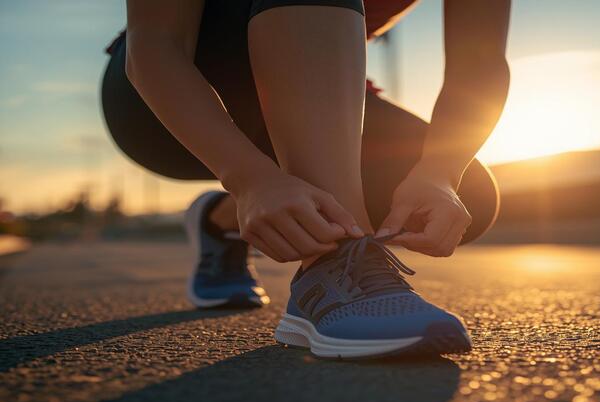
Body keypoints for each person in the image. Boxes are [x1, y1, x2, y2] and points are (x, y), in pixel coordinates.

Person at [102, 0, 510, 359]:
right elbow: (154, 45)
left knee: (469, 193)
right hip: (169, 93)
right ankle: (332, 263)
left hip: (317, 87)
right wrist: (248, 178)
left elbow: (480, 61)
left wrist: (439, 173)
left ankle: (219, 222)